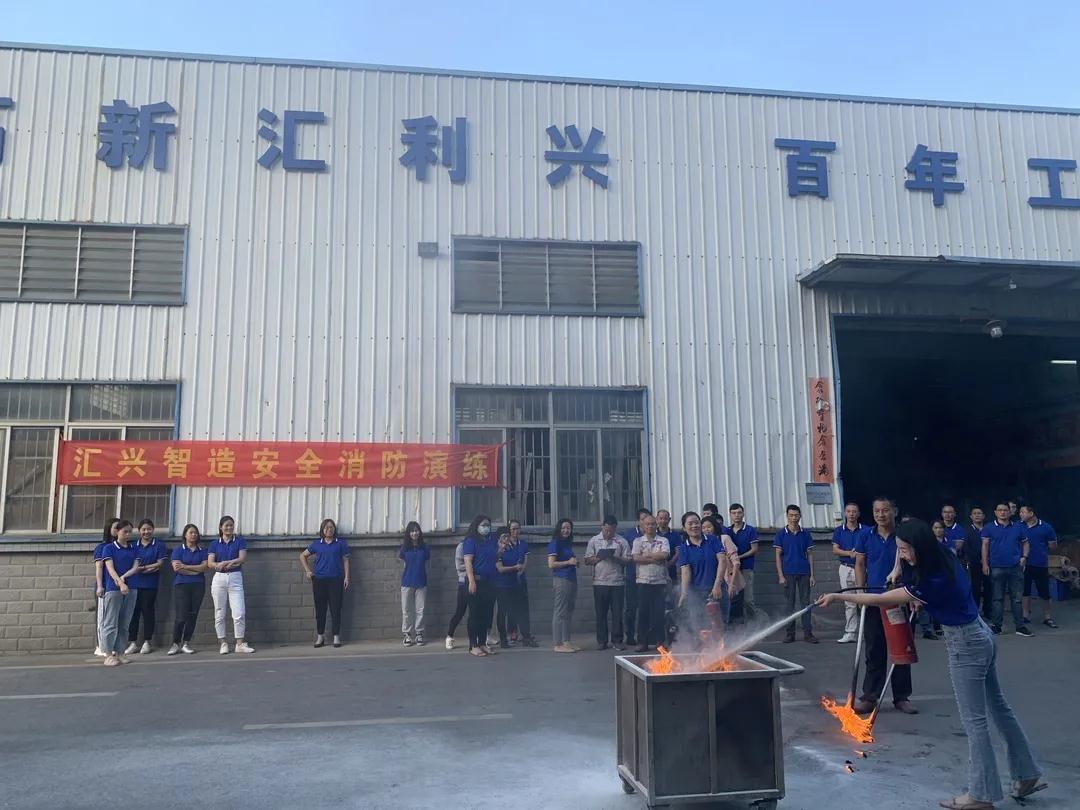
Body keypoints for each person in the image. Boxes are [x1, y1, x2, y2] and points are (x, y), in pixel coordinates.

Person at [817, 519, 1044, 810]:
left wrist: (838, 595)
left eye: (904, 550)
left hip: (965, 645)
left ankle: (981, 794)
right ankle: (1027, 773)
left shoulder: (930, 581)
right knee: (999, 708)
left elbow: (881, 599)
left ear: (919, 547)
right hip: (980, 634)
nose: (901, 555)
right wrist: (899, 568)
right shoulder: (943, 555)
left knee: (975, 721)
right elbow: (907, 569)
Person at [853, 496, 916, 714]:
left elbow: (914, 564)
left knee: (901, 648)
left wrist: (913, 592)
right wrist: (860, 592)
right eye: (877, 511)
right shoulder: (865, 535)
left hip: (898, 598)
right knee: (874, 649)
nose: (881, 515)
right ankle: (870, 696)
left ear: (894, 511)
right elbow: (859, 564)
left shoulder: (904, 534)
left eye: (885, 510)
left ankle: (902, 697)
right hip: (873, 599)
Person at [981, 503, 1033, 637]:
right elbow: (985, 546)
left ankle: (1020, 627)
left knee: (1017, 599)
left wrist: (1024, 557)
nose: (1003, 512)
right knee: (997, 599)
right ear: (995, 512)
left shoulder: (1018, 527)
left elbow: (1026, 543)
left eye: (1005, 510)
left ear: (1010, 512)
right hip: (996, 567)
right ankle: (996, 627)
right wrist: (985, 564)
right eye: (1000, 510)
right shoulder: (989, 527)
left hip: (1015, 567)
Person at [677, 511, 726, 648]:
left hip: (718, 590)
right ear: (684, 528)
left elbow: (722, 561)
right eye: (690, 524)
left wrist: (717, 585)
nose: (694, 526)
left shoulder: (712, 540)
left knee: (720, 628)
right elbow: (685, 572)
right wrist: (684, 593)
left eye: (697, 522)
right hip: (697, 593)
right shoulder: (684, 548)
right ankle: (704, 657)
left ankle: (722, 656)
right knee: (701, 629)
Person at [300, 518, 351, 648]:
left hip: (336, 580)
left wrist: (347, 577)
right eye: (327, 527)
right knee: (320, 609)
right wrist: (308, 571)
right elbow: (302, 556)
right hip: (319, 581)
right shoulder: (317, 544)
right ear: (322, 530)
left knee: (336, 609)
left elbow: (346, 561)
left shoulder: (340, 544)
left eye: (331, 527)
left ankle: (336, 637)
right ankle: (320, 637)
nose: (329, 529)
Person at [207, 515, 254, 655]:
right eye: (226, 525)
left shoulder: (239, 541)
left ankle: (239, 644)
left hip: (235, 577)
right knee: (219, 613)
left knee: (239, 612)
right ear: (221, 527)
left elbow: (242, 558)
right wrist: (218, 565)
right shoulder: (214, 544)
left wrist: (228, 563)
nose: (229, 528)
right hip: (219, 578)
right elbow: (210, 563)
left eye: (231, 525)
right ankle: (223, 643)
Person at [585, 514, 631, 651]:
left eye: (611, 530)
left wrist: (616, 558)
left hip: (617, 582)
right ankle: (602, 641)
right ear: (602, 527)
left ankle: (617, 640)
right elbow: (587, 560)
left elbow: (628, 560)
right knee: (601, 613)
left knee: (617, 613)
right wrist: (600, 557)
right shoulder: (594, 540)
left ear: (615, 528)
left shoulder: (621, 541)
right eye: (606, 530)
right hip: (599, 582)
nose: (608, 533)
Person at [774, 505, 818, 644]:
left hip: (804, 572)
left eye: (796, 515)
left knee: (806, 603)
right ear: (787, 516)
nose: (794, 518)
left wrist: (812, 575)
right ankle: (790, 634)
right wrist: (780, 575)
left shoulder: (805, 533)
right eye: (791, 515)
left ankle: (808, 634)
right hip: (788, 573)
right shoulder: (781, 534)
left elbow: (810, 554)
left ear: (800, 516)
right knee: (790, 604)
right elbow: (778, 556)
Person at [125, 518, 168, 655]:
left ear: (153, 530)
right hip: (133, 584)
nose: (146, 532)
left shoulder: (159, 545)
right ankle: (132, 642)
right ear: (139, 531)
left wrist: (143, 567)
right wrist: (145, 568)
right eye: (143, 529)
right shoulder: (133, 545)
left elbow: (159, 563)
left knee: (148, 612)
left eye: (149, 529)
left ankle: (147, 642)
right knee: (133, 613)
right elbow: (130, 564)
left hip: (150, 584)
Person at [100, 520, 139, 666]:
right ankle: (108, 654)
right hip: (113, 588)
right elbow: (110, 568)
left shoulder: (134, 548)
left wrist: (124, 577)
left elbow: (135, 567)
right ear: (117, 532)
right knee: (111, 622)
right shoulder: (109, 548)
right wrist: (120, 582)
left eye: (130, 532)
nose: (127, 534)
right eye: (124, 531)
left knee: (124, 622)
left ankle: (120, 651)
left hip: (131, 587)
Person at [495, 520, 537, 648]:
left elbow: (522, 562)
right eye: (504, 536)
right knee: (502, 612)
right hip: (502, 586)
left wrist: (519, 570)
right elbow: (500, 569)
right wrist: (514, 568)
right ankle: (504, 639)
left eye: (507, 537)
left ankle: (526, 637)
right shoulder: (497, 550)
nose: (507, 538)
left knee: (521, 610)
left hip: (516, 583)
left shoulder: (514, 547)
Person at [631, 514, 669, 652]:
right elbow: (636, 558)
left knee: (659, 613)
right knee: (643, 613)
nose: (650, 526)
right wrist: (655, 559)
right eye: (647, 524)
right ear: (643, 526)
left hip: (659, 582)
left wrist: (647, 555)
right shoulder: (638, 541)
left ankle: (660, 642)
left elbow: (665, 555)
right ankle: (643, 642)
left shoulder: (663, 540)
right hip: (643, 581)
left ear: (656, 525)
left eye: (653, 524)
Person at [169, 524, 209, 655]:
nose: (193, 535)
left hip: (198, 586)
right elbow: (177, 569)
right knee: (181, 616)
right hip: (181, 585)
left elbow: (204, 567)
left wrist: (185, 566)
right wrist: (195, 571)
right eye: (191, 532)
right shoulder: (178, 550)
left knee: (193, 615)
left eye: (195, 533)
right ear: (185, 535)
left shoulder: (202, 551)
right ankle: (175, 643)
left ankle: (186, 643)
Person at [462, 514, 498, 657]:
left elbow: (493, 558)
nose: (486, 528)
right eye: (483, 525)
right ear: (476, 526)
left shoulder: (491, 541)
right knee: (475, 614)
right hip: (476, 581)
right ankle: (473, 645)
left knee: (486, 614)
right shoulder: (470, 541)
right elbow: (468, 562)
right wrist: (471, 581)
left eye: (488, 525)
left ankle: (483, 643)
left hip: (489, 581)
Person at [1019, 505, 1058, 629]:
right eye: (1020, 512)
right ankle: (1025, 615)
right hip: (1024, 564)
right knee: (1025, 591)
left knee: (1044, 592)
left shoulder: (1046, 527)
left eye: (1023, 512)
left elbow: (1053, 545)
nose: (1020, 514)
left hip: (1040, 564)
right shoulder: (1018, 526)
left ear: (1031, 513)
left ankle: (1047, 617)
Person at [831, 502, 865, 643]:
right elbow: (835, 550)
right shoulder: (839, 531)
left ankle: (868, 631)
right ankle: (850, 633)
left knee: (864, 600)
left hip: (862, 568)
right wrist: (848, 553)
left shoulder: (866, 530)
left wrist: (860, 554)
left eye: (854, 511)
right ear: (845, 513)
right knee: (849, 602)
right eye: (849, 511)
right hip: (845, 568)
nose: (851, 514)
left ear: (858, 514)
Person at [547, 518, 579, 653]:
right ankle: (558, 643)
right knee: (560, 611)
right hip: (561, 579)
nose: (566, 530)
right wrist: (568, 562)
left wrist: (574, 562)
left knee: (568, 611)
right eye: (564, 528)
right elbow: (551, 564)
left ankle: (566, 641)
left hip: (571, 578)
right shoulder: (555, 543)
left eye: (568, 528)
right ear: (559, 529)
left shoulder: (567, 544)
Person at [620, 508, 650, 646]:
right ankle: (630, 635)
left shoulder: (653, 533)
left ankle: (646, 636)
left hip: (648, 577)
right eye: (643, 519)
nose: (645, 521)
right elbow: (627, 554)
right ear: (639, 520)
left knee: (646, 608)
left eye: (647, 518)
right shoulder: (629, 534)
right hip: (632, 575)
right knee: (631, 608)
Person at [724, 504, 758, 621]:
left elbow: (754, 549)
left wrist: (738, 557)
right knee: (734, 599)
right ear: (730, 515)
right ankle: (738, 625)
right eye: (734, 513)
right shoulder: (727, 531)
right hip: (730, 570)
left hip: (745, 568)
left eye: (739, 513)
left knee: (748, 600)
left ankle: (755, 625)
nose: (736, 515)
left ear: (743, 514)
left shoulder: (750, 530)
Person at [399, 521, 430, 646]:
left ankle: (419, 634)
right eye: (412, 531)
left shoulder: (425, 548)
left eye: (416, 530)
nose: (414, 533)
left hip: (421, 582)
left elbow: (426, 562)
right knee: (406, 610)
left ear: (419, 532)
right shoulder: (404, 548)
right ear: (408, 533)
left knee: (420, 610)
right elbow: (403, 563)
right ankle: (407, 634)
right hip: (407, 582)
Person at [93, 517, 120, 657]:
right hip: (104, 586)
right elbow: (99, 567)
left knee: (113, 618)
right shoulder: (102, 547)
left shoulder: (121, 547)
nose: (118, 530)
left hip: (116, 588)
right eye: (116, 527)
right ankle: (100, 646)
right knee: (102, 618)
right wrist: (99, 586)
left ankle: (111, 645)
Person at [964, 507, 992, 617]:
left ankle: (988, 610)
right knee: (975, 587)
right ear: (971, 517)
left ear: (983, 516)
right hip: (974, 563)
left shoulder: (988, 529)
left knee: (989, 587)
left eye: (979, 513)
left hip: (989, 562)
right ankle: (975, 611)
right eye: (974, 513)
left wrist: (986, 559)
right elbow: (967, 548)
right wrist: (978, 559)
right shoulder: (967, 530)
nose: (977, 515)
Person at [445, 537, 469, 650]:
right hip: (464, 582)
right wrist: (471, 564)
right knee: (460, 612)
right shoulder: (462, 546)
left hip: (478, 582)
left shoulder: (479, 544)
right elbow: (459, 566)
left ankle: (481, 638)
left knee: (477, 613)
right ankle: (449, 636)